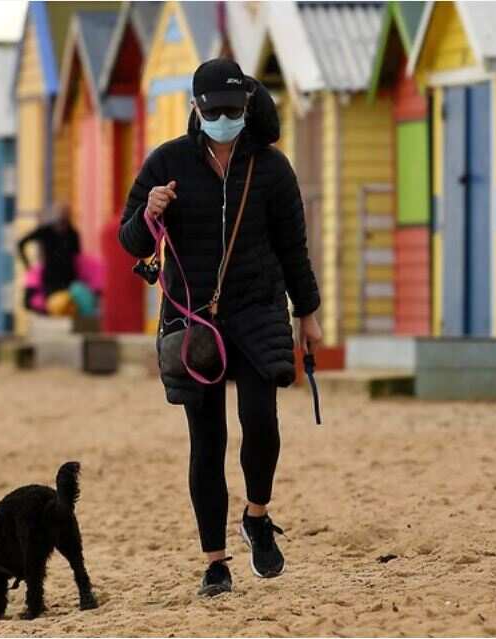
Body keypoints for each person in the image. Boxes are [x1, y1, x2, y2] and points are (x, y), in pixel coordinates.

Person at [117, 59, 322, 596]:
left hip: (257, 310)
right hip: (192, 320)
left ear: (247, 107)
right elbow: (130, 240)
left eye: (233, 111)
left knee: (261, 423)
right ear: (196, 108)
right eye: (214, 112)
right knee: (205, 442)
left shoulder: (272, 168)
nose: (224, 120)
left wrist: (309, 312)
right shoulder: (168, 162)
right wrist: (149, 212)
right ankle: (215, 562)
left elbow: (292, 248)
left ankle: (256, 516)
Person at [18, 203, 95, 317]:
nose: (64, 215)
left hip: (69, 278)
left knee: (67, 306)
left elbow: (77, 258)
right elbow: (21, 243)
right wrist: (28, 266)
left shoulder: (73, 234)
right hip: (50, 278)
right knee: (51, 306)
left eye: (66, 212)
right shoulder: (45, 231)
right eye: (61, 212)